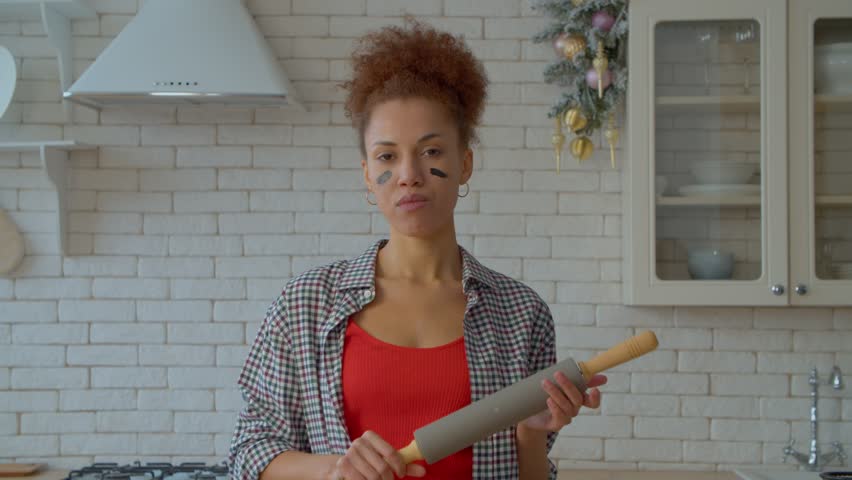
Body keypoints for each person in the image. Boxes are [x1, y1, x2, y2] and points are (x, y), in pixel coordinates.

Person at [228, 17, 607, 480]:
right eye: (387, 156)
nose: (409, 174)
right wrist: (335, 471)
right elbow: (249, 451)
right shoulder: (305, 305)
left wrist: (531, 434)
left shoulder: (521, 314)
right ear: (368, 174)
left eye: (431, 152)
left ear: (464, 163)